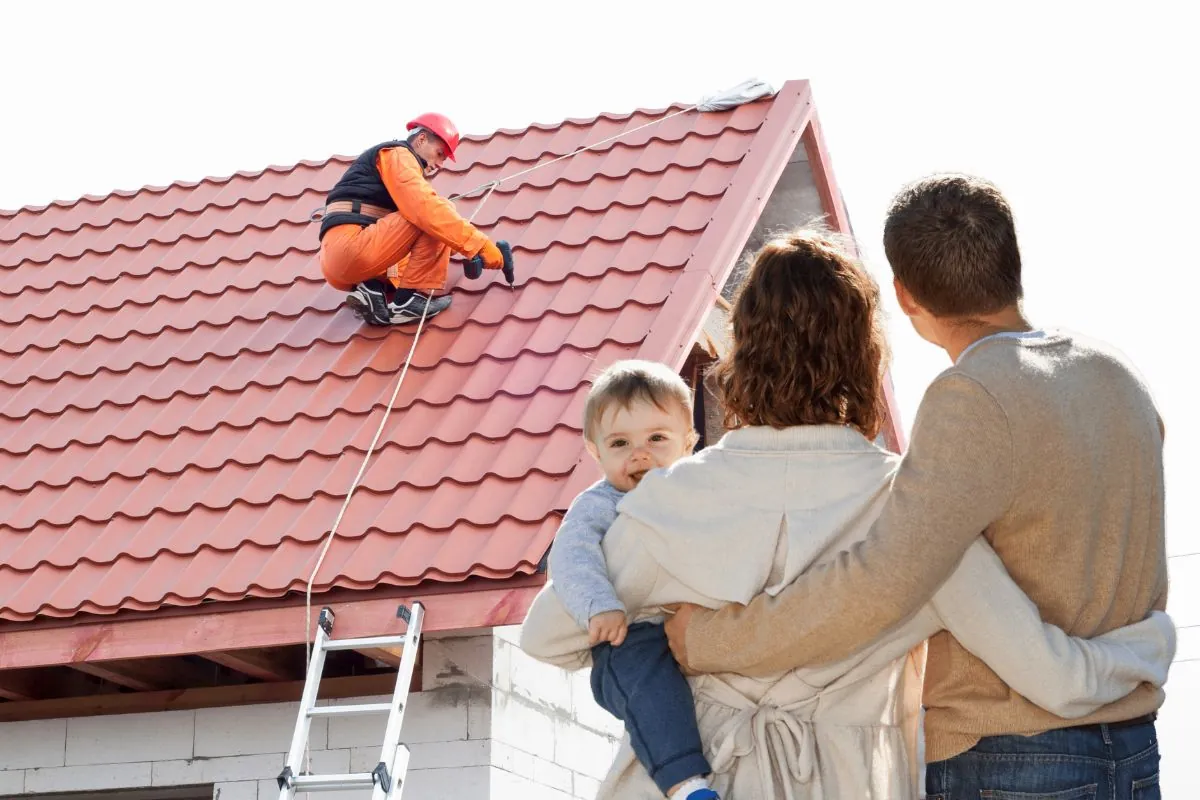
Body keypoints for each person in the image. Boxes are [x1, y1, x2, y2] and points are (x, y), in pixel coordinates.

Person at [520, 228, 1175, 799]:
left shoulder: (665, 503)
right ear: (867, 356)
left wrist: (662, 642)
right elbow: (1055, 679)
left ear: (743, 350)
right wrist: (1149, 645)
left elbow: (548, 636)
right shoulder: (914, 509)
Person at [546, 359, 717, 800]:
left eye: (657, 439)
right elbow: (570, 556)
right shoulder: (598, 505)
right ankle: (686, 786)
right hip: (631, 636)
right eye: (620, 443)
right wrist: (599, 604)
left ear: (689, 443)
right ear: (595, 452)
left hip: (698, 625)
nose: (640, 454)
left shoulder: (701, 493)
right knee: (650, 692)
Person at [317, 112, 506, 325]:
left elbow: (431, 241)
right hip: (353, 248)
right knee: (437, 210)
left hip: (340, 261)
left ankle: (372, 291)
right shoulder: (398, 154)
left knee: (435, 222)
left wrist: (467, 253)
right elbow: (426, 211)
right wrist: (480, 246)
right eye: (440, 153)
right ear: (422, 138)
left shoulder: (391, 169)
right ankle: (408, 301)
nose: (440, 163)